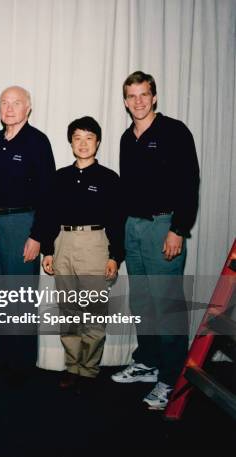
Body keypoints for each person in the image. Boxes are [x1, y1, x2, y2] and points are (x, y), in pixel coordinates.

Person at [111, 71, 200, 410]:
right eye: (132, 96)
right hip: (133, 227)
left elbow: (189, 183)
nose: (138, 101)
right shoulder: (125, 138)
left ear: (155, 96)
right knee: (143, 303)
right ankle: (148, 362)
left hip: (164, 227)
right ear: (124, 101)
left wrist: (178, 229)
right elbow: (126, 192)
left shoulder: (174, 132)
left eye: (144, 94)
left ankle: (171, 378)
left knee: (167, 306)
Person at [41, 116, 124, 389]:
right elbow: (48, 214)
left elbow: (116, 219)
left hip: (95, 244)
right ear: (71, 142)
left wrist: (115, 255)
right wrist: (48, 250)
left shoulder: (109, 179)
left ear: (98, 142)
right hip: (63, 242)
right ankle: (73, 366)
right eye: (77, 138)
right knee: (68, 311)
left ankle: (89, 370)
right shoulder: (60, 177)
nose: (83, 143)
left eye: (89, 138)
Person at [0, 86, 56, 382]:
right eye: (4, 103)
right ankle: (1, 357)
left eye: (16, 103)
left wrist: (39, 236)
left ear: (28, 108)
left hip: (23, 225)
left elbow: (49, 194)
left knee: (20, 298)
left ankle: (22, 365)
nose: (9, 108)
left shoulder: (38, 142)